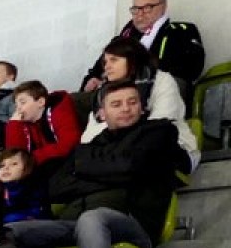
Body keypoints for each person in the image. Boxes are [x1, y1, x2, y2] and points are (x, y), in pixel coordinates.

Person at [10, 80, 178, 248]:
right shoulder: (87, 146)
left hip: (133, 224)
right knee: (12, 232)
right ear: (101, 113)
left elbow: (132, 166)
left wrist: (91, 170)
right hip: (77, 223)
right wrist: (114, 174)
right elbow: (57, 187)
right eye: (116, 104)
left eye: (132, 102)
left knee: (93, 218)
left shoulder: (159, 132)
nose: (126, 109)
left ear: (143, 107)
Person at [80, 35, 200, 173]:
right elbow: (88, 137)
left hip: (170, 149)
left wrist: (115, 126)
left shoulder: (161, 80)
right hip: (118, 154)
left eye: (114, 60)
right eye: (105, 62)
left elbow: (161, 126)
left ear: (132, 60)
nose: (107, 66)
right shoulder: (103, 93)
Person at [81, 0, 204, 100]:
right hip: (110, 96)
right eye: (135, 9)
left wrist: (135, 78)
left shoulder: (181, 31)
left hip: (156, 94)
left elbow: (191, 68)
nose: (140, 14)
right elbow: (95, 71)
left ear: (163, 7)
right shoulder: (121, 40)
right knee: (67, 103)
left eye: (147, 8)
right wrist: (92, 80)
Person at [5, 80, 82, 179]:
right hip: (42, 166)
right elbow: (14, 155)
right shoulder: (24, 124)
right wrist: (14, 125)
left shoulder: (59, 110)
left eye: (22, 102)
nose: (18, 109)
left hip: (68, 163)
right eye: (17, 105)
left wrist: (32, 158)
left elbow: (69, 144)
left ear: (40, 102)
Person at [0, 149, 49, 225]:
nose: (6, 168)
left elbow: (37, 213)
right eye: (2, 165)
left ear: (26, 168)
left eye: (14, 164)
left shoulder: (33, 189)